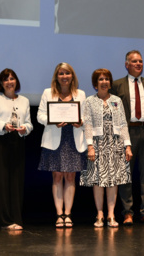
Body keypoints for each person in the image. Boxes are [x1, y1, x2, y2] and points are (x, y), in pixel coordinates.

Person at [109, 50, 144, 225]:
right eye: (134, 61)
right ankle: (127, 213)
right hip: (126, 132)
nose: (138, 64)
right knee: (126, 175)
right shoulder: (116, 85)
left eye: (141, 61)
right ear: (126, 64)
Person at [80, 69, 133, 228]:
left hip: (115, 144)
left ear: (110, 82)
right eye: (101, 79)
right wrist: (90, 146)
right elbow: (87, 124)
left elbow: (123, 124)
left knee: (113, 181)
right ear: (95, 83)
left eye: (107, 79)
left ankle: (111, 214)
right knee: (98, 180)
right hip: (97, 145)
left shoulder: (117, 100)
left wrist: (127, 145)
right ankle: (100, 214)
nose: (104, 82)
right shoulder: (89, 101)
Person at [0, 68, 33, 230]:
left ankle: (15, 218)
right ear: (1, 83)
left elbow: (30, 123)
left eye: (12, 79)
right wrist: (4, 125)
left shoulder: (24, 100)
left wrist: (25, 128)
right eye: (6, 79)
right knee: (1, 182)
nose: (9, 82)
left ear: (16, 81)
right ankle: (3, 220)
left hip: (17, 142)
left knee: (16, 182)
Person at [38, 63, 86, 228]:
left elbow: (85, 117)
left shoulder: (80, 94)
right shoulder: (47, 93)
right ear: (56, 76)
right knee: (57, 177)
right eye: (61, 74)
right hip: (54, 139)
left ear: (72, 76)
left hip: (73, 140)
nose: (64, 76)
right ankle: (59, 214)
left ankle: (68, 213)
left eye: (67, 73)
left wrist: (81, 122)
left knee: (71, 177)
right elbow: (40, 116)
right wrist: (53, 121)